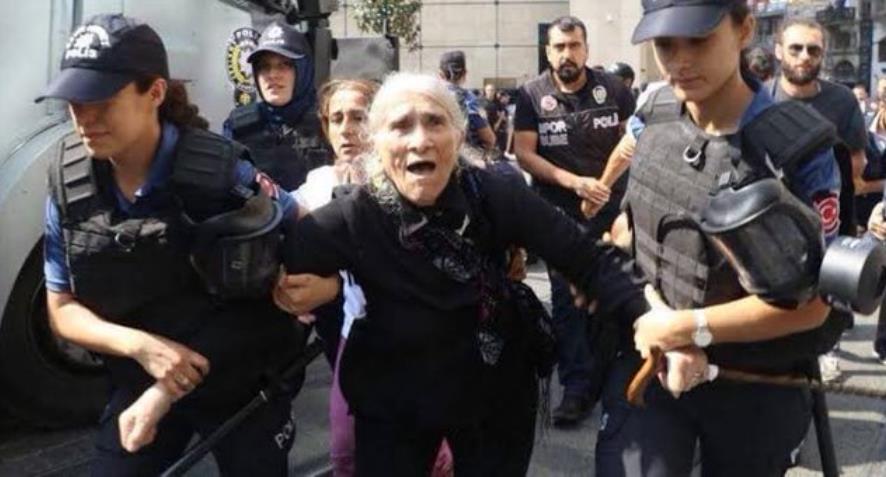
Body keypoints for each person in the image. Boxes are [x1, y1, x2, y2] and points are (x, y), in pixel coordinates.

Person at [279, 72, 649, 476]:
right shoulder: (352, 216)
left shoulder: (495, 194)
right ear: (376, 142)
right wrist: (331, 288)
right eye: (401, 126)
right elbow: (276, 273)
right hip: (394, 395)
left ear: (458, 137)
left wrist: (653, 320)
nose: (420, 140)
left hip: (492, 390)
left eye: (435, 122)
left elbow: (587, 259)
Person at [36, 14, 337, 475]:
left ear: (155, 93)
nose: (85, 118)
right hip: (142, 377)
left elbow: (307, 233)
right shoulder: (69, 184)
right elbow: (62, 309)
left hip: (240, 376)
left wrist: (326, 285)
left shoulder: (221, 174)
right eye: (75, 102)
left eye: (102, 100)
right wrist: (140, 346)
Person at [594, 1, 844, 475]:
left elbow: (816, 304)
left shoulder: (798, 148)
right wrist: (662, 325)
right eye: (666, 44)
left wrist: (690, 328)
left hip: (756, 381)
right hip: (654, 360)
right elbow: (626, 230)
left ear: (744, 29)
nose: (681, 60)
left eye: (699, 40)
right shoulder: (653, 114)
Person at [513, 15, 636, 426]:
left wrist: (605, 189)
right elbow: (525, 154)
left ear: (586, 48)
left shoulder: (614, 89)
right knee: (567, 302)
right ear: (548, 52)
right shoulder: (532, 95)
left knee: (613, 295)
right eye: (559, 47)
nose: (567, 54)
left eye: (574, 45)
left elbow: (633, 143)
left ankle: (614, 381)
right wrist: (574, 183)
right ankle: (576, 389)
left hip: (612, 213)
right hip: (558, 215)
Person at [770, 17, 877, 382]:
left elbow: (857, 161)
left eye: (813, 50)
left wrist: (839, 199)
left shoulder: (841, 101)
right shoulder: (760, 98)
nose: (805, 56)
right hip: (773, 219)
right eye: (796, 48)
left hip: (828, 216)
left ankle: (826, 350)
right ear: (778, 51)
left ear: (823, 55)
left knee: (827, 288)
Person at [224, 21, 330, 191]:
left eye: (285, 65)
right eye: (264, 66)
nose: (272, 74)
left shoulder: (330, 119)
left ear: (303, 69)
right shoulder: (238, 125)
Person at [438, 50, 497, 150]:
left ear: (440, 74)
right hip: (463, 155)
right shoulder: (468, 98)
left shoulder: (429, 96)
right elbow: (489, 138)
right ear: (465, 73)